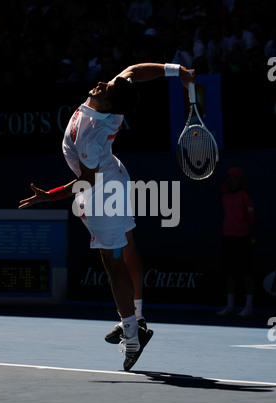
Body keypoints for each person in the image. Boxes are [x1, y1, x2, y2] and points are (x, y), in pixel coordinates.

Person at [19, 62, 195, 370]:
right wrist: (175, 69)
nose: (102, 82)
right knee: (126, 245)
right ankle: (137, 318)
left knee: (113, 265)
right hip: (115, 176)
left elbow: (86, 180)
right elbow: (132, 71)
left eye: (106, 87)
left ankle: (132, 334)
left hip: (103, 197)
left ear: (109, 103)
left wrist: (50, 195)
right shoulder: (111, 98)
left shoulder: (91, 136)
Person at [217, 167, 255, 317]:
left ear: (239, 181)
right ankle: (230, 306)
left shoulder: (245, 197)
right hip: (228, 238)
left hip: (243, 238)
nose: (230, 182)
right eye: (229, 179)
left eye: (233, 179)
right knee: (229, 273)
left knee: (246, 273)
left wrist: (246, 233)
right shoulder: (225, 198)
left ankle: (249, 306)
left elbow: (251, 220)